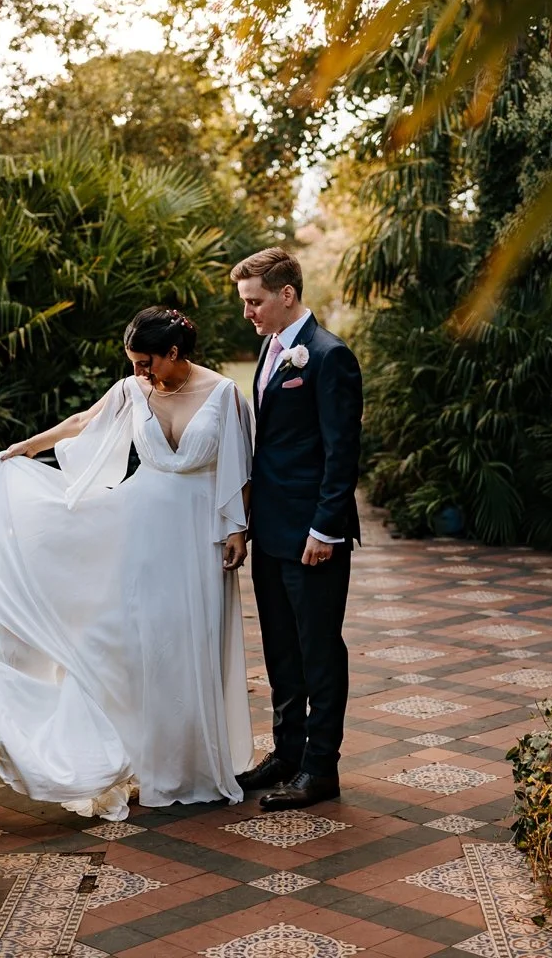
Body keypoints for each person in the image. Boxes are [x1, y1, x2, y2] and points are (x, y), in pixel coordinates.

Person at [0, 307, 253, 820]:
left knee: (192, 644)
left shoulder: (224, 394)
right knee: (124, 643)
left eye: (146, 362)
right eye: (133, 362)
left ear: (174, 353)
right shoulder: (134, 389)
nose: (139, 372)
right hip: (140, 531)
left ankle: (193, 767)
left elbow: (241, 464)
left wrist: (237, 528)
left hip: (199, 535)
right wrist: (23, 449)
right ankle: (125, 758)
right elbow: (80, 423)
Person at [229, 248, 363, 811]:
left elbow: (342, 452)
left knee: (319, 650)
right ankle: (286, 752)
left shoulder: (330, 357)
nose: (248, 314)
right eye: (244, 303)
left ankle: (320, 767)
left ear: (287, 294)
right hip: (272, 530)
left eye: (255, 301)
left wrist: (325, 530)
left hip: (313, 536)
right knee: (282, 649)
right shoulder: (270, 349)